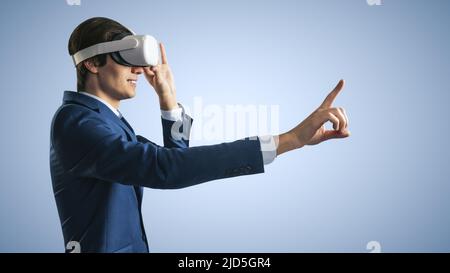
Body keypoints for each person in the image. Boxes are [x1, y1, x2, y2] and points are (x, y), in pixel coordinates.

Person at [50, 17, 350, 253]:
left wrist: (168, 97)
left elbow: (174, 157)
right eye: (124, 57)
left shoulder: (108, 122)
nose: (139, 70)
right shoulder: (76, 122)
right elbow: (167, 169)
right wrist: (292, 139)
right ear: (91, 63)